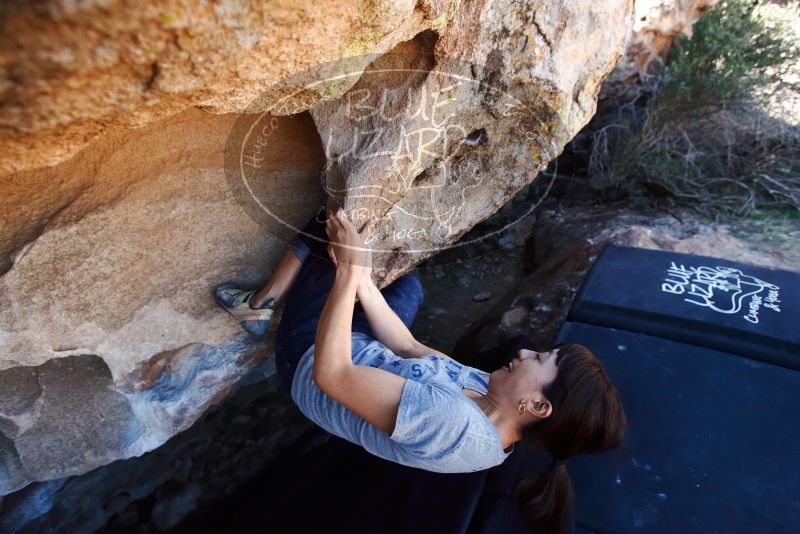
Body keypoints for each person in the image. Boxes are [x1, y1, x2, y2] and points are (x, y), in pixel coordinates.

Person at [214, 206, 626, 534]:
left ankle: (259, 303)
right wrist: (363, 281)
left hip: (310, 360)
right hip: (366, 353)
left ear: (537, 406)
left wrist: (350, 271)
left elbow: (333, 374)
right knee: (408, 288)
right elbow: (409, 347)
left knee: (337, 218)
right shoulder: (494, 395)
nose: (525, 353)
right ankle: (326, 283)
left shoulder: (455, 428)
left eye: (539, 360)